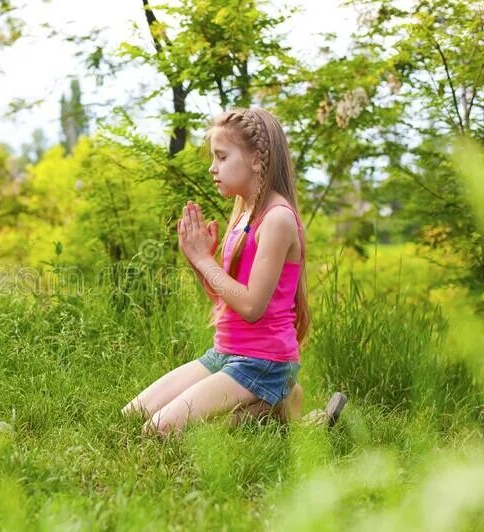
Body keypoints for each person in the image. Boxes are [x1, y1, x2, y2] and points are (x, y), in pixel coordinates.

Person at [120, 107, 347, 438]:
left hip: (262, 361)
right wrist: (199, 260)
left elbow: (252, 307)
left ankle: (278, 406)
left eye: (222, 157)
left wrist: (205, 261)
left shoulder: (277, 219)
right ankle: (276, 407)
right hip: (225, 352)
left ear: (256, 159)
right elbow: (225, 299)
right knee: (131, 417)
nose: (213, 168)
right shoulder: (244, 213)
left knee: (158, 432)